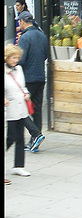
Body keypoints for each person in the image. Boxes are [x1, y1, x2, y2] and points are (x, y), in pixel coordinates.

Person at [5, 44, 46, 177]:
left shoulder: (19, 69)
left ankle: (19, 166)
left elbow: (22, 86)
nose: (16, 60)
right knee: (10, 138)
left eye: (17, 57)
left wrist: (26, 93)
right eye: (13, 58)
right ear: (7, 57)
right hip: (10, 108)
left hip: (21, 107)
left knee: (20, 138)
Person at [16, 11, 49, 152]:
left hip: (27, 79)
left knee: (20, 109)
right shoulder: (42, 35)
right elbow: (45, 55)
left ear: (23, 22)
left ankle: (35, 134)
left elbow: (21, 60)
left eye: (19, 22)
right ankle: (35, 141)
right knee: (37, 110)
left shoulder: (24, 38)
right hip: (40, 77)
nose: (19, 24)